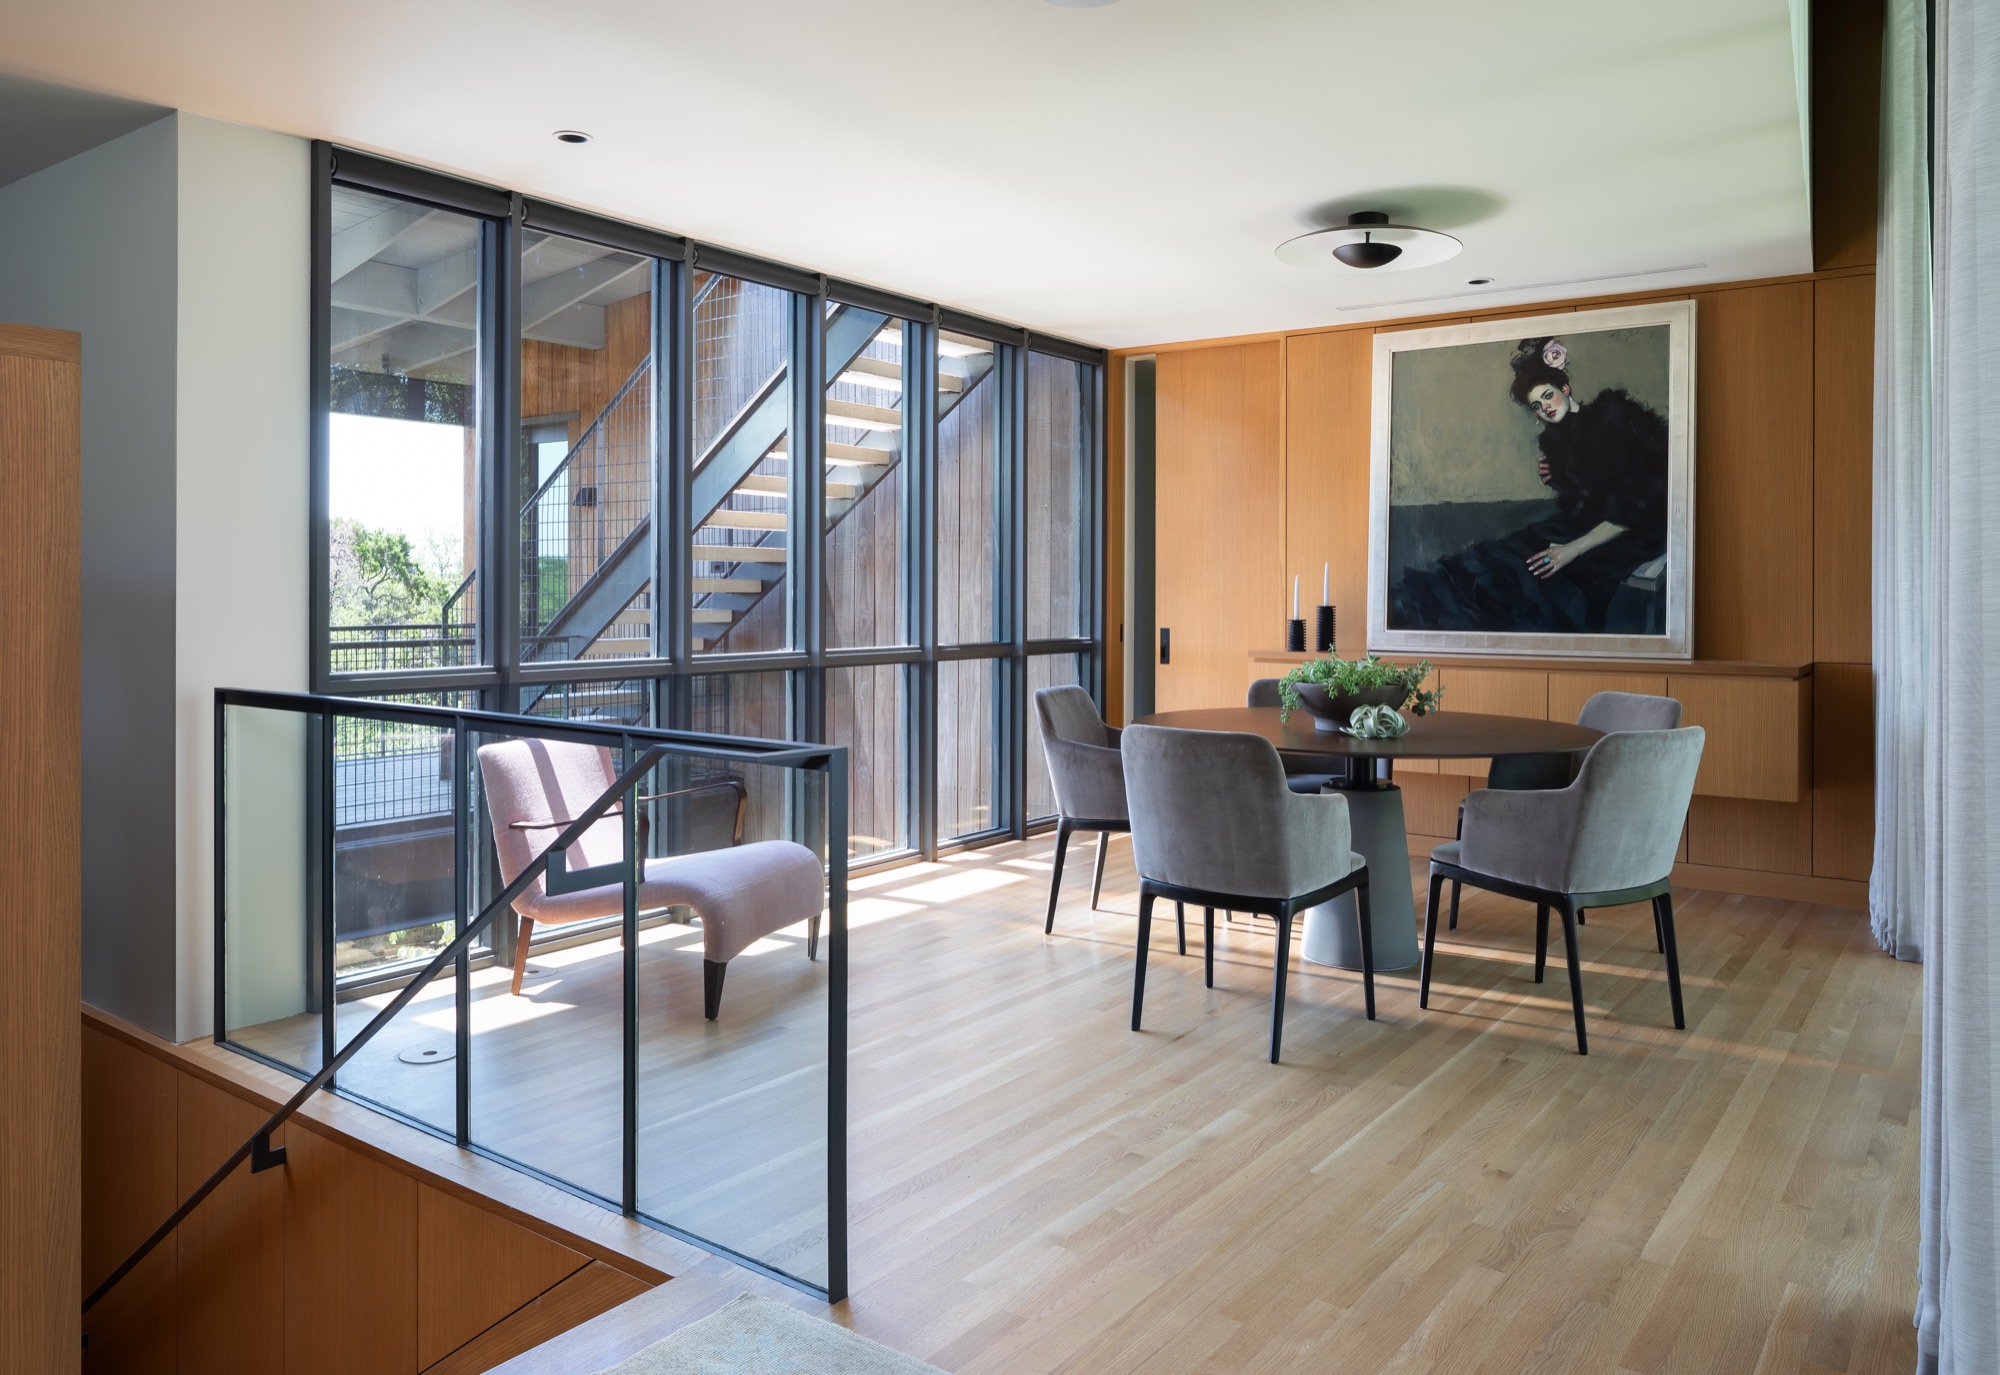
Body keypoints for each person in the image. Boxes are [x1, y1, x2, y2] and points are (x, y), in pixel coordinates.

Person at [1390, 337, 1670, 635]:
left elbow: (1634, 503)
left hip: (1632, 532)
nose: (1545, 408)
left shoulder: (1613, 417)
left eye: (1548, 396)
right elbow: (1587, 499)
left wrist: (1571, 549)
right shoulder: (1557, 441)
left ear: (1565, 389)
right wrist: (1560, 479)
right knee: (1501, 559)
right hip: (1584, 525)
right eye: (1537, 405)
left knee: (1540, 578)